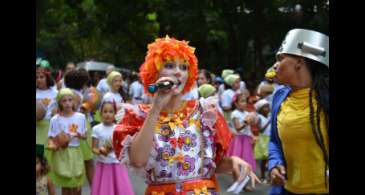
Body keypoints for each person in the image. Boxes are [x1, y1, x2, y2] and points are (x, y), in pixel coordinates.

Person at [112, 36, 260, 194]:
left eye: (183, 67)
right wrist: (156, 108)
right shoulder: (139, 115)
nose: (177, 72)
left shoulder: (205, 111)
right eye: (169, 65)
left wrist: (232, 163)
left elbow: (212, 165)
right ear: (154, 73)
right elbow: (138, 160)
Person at [268, 29, 329, 195]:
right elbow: (274, 140)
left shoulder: (325, 98)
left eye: (280, 58)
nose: (275, 65)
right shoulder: (279, 96)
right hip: (287, 190)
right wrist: (275, 164)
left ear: (299, 62)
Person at [46, 88, 87, 195]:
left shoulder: (80, 117)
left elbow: (85, 136)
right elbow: (51, 138)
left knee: (77, 183)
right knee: (66, 184)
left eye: (70, 100)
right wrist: (53, 146)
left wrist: (80, 135)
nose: (68, 103)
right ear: (59, 103)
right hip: (62, 153)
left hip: (75, 152)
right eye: (64, 101)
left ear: (74, 101)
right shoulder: (55, 119)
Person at [91, 101, 134, 195]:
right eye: (105, 111)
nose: (108, 114)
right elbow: (93, 148)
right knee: (104, 189)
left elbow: (123, 147)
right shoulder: (96, 129)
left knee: (120, 188)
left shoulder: (118, 129)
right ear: (100, 113)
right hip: (103, 164)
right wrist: (100, 151)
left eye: (111, 112)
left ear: (115, 114)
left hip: (117, 164)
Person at [226, 92, 257, 191]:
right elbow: (238, 128)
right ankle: (237, 182)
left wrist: (253, 136)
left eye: (245, 101)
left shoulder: (246, 113)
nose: (244, 103)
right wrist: (246, 121)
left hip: (246, 140)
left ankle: (242, 184)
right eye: (242, 101)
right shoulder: (235, 113)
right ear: (236, 103)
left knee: (246, 162)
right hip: (238, 140)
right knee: (237, 163)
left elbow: (248, 129)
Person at [36, 60, 58, 156]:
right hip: (37, 126)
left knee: (46, 154)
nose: (39, 80)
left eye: (41, 77)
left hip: (47, 127)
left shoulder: (54, 93)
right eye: (36, 77)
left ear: (48, 77)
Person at [253, 99, 271, 183]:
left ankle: (270, 176)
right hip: (263, 139)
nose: (267, 109)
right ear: (260, 109)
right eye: (265, 107)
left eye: (268, 107)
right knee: (264, 159)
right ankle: (263, 176)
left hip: (270, 137)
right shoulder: (259, 117)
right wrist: (268, 122)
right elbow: (260, 130)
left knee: (270, 158)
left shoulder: (270, 116)